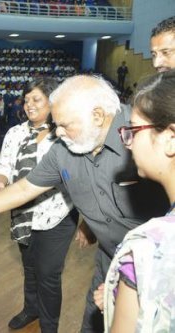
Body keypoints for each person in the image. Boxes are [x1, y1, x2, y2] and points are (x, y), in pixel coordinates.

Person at [0, 74, 169, 333]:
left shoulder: (142, 135)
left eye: (65, 125)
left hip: (159, 266)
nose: (58, 133)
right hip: (111, 259)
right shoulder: (63, 149)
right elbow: (24, 188)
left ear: (98, 116)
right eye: (56, 125)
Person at [0, 78, 76, 332]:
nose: (29, 105)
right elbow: (4, 163)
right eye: (26, 100)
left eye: (36, 100)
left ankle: (49, 327)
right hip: (23, 213)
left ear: (52, 102)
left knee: (48, 275)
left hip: (58, 215)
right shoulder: (16, 133)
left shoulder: (64, 134)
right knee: (29, 267)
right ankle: (31, 309)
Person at [94, 70, 175, 332]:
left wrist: (119, 301)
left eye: (133, 130)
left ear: (170, 138)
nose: (128, 143)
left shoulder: (148, 247)